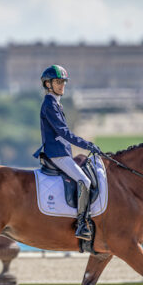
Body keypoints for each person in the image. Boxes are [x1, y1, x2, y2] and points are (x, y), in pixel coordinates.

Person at [33, 65, 102, 241]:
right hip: (57, 154)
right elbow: (64, 133)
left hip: (61, 152)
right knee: (84, 181)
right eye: (58, 82)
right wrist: (87, 144)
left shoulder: (56, 103)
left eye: (63, 82)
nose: (62, 85)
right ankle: (81, 224)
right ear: (48, 84)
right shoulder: (49, 104)